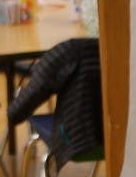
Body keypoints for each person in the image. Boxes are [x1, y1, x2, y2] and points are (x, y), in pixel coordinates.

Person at [7, 38, 102, 169]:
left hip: (77, 141)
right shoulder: (131, 48)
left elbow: (16, 112)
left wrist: (12, 112)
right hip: (123, 139)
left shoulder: (68, 51)